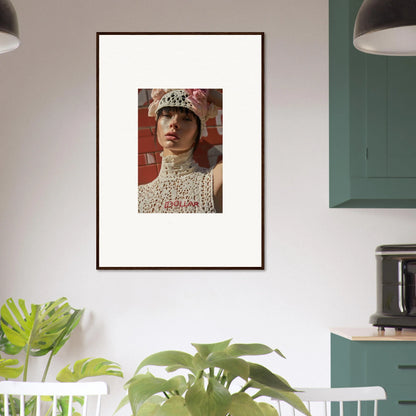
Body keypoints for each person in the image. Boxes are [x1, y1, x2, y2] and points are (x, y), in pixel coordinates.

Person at [138, 89, 223, 213]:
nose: (174, 123)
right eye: (167, 115)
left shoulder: (214, 182)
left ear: (198, 132)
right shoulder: (140, 196)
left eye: (187, 118)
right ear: (157, 126)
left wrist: (208, 92)